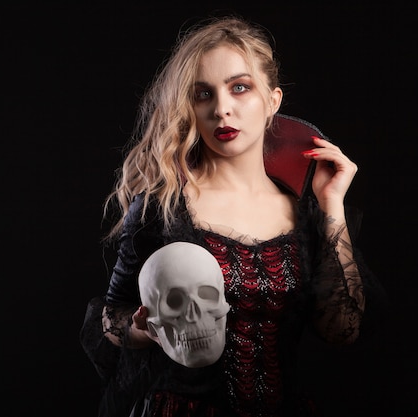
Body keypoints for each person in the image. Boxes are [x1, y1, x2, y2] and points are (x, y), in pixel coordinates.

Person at [80, 14, 385, 417]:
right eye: (203, 94)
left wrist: (332, 205)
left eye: (239, 88)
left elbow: (341, 329)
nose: (222, 109)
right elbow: (111, 320)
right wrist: (143, 328)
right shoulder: (162, 205)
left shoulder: (304, 213)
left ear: (272, 100)